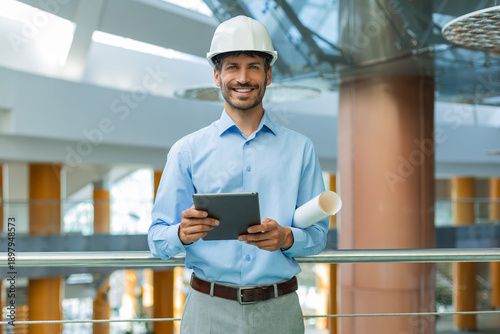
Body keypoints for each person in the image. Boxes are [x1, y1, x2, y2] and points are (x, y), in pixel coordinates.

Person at [148, 15, 328, 334]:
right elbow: (156, 238)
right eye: (232, 66)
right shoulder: (186, 151)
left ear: (268, 75)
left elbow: (317, 237)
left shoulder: (301, 149)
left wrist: (287, 237)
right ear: (217, 75)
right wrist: (181, 233)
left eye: (253, 66)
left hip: (279, 310)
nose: (243, 78)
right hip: (208, 311)